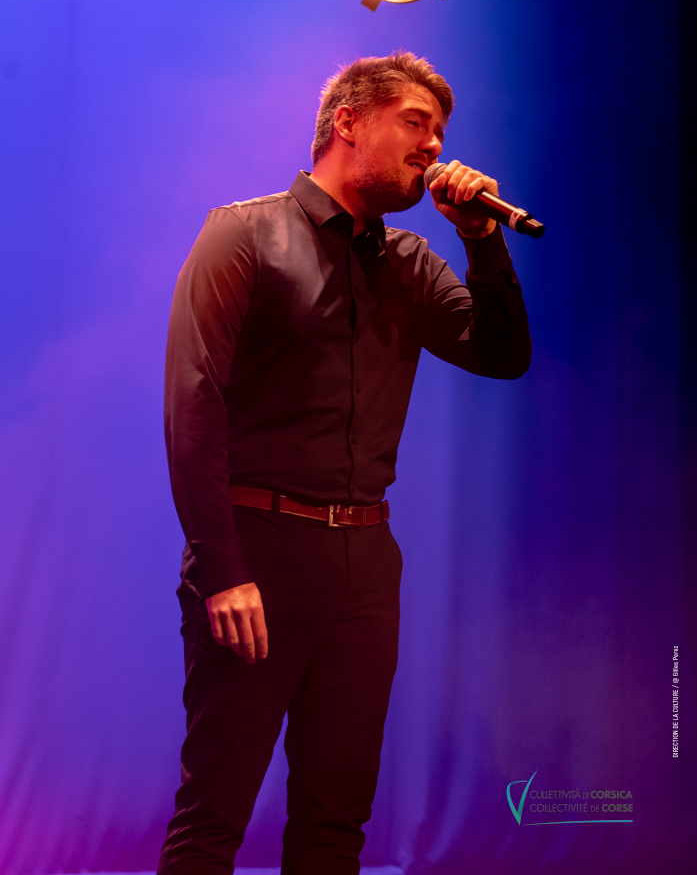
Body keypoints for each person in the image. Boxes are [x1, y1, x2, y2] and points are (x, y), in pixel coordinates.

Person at [157, 51, 531, 875]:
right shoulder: (243, 235)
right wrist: (223, 570)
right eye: (416, 124)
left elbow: (503, 356)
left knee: (337, 818)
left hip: (365, 561)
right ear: (349, 122)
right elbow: (193, 407)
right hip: (259, 547)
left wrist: (481, 242)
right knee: (215, 808)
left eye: (440, 134)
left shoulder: (409, 262)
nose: (433, 147)